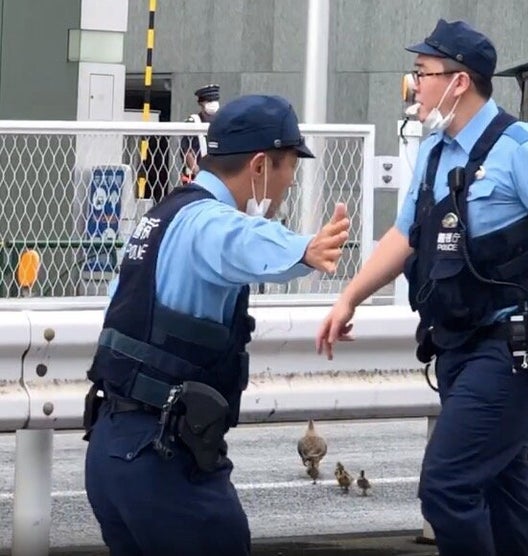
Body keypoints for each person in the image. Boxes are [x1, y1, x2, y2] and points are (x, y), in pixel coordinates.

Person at [316, 19, 528, 556]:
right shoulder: (436, 154)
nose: (414, 86)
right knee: (504, 490)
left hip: (515, 348)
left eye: (422, 73)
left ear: (459, 82)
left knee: (448, 485)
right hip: (458, 344)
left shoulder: (520, 148)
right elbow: (404, 237)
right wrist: (349, 296)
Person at [83, 94, 350, 556]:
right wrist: (305, 249)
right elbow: (238, 237)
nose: (289, 183)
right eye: (290, 168)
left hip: (110, 451)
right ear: (261, 165)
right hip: (163, 461)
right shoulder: (209, 220)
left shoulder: (161, 216)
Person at [180, 83, 221, 184]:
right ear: (201, 103)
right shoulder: (193, 122)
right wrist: (197, 172)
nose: (213, 104)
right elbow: (186, 151)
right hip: (197, 177)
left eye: (215, 100)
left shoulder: (221, 121)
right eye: (210, 101)